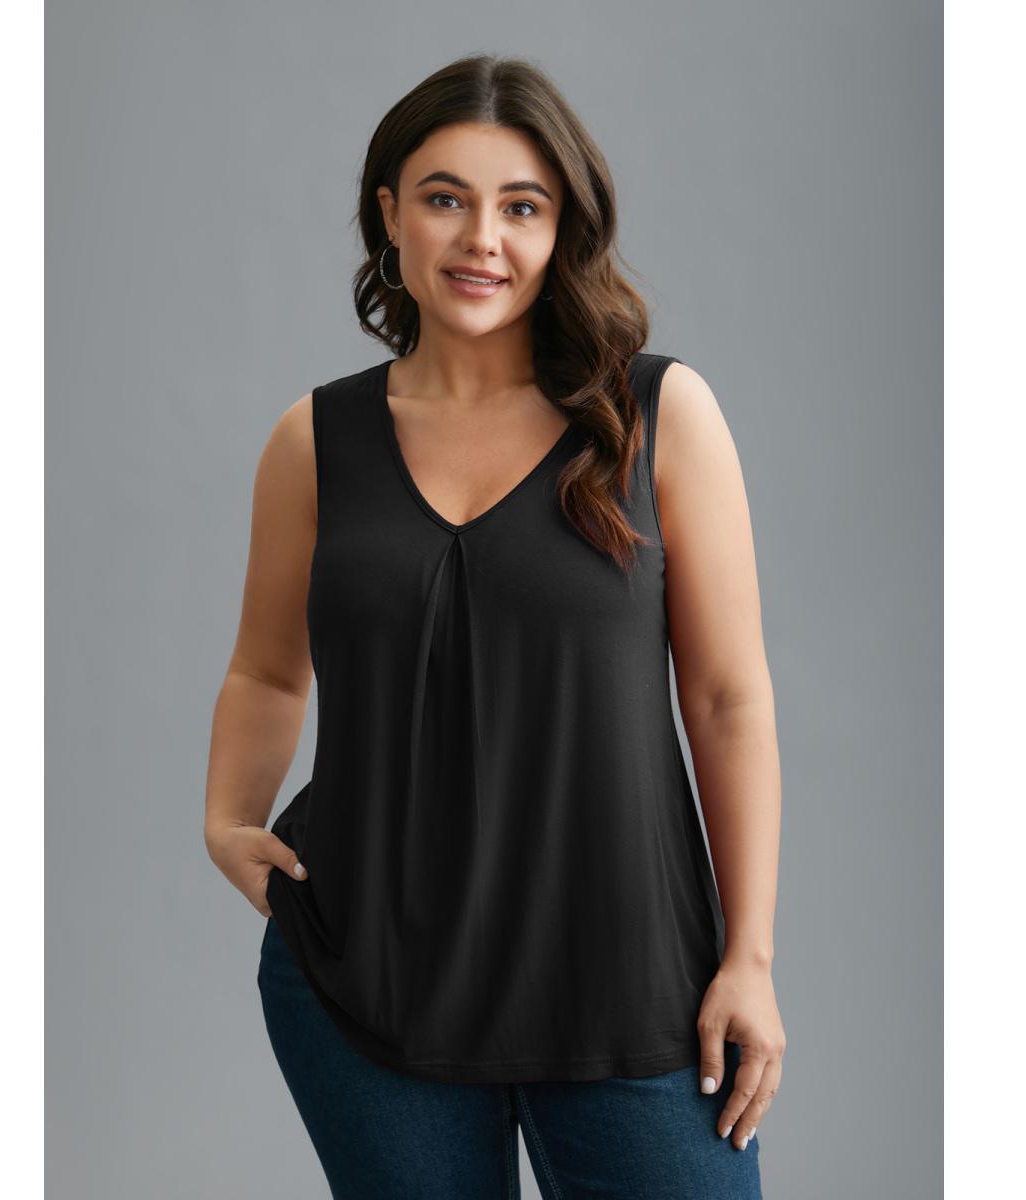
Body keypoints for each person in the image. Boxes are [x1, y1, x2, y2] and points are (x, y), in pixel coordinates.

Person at [205, 53, 783, 1199]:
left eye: (522, 207)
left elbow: (729, 700)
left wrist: (750, 959)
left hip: (637, 992)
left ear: (563, 228)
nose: (482, 239)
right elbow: (267, 672)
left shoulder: (656, 417)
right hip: (366, 995)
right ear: (390, 215)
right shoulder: (312, 443)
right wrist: (227, 819)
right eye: (445, 198)